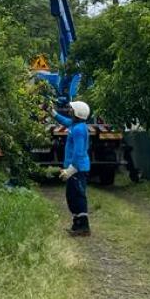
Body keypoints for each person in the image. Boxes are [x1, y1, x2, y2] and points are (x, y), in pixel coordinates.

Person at [53, 101, 92, 236]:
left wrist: (71, 169)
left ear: (77, 113)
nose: (69, 110)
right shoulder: (75, 125)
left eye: (72, 109)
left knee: (78, 196)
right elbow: (64, 121)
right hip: (73, 168)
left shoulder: (79, 130)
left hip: (77, 169)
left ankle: (84, 227)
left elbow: (79, 152)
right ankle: (77, 224)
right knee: (71, 196)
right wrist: (51, 112)